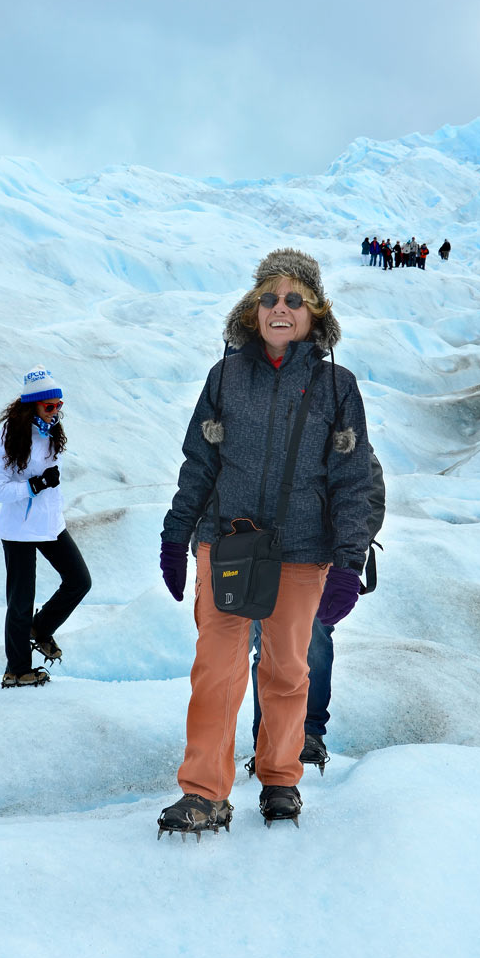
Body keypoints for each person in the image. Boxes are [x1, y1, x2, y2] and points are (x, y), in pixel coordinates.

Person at [158, 248, 373, 837]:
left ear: (314, 311)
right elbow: (198, 463)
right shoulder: (224, 376)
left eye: (294, 299)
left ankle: (280, 778)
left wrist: (350, 563)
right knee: (216, 672)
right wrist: (176, 537)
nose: (281, 308)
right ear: (253, 308)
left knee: (286, 671)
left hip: (305, 553)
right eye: (269, 298)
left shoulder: (337, 387)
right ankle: (204, 792)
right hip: (225, 546)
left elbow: (354, 480)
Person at [247, 447, 385, 775]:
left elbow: (368, 490)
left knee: (313, 641)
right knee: (266, 646)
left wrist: (349, 552)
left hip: (317, 558)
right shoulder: (251, 418)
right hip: (257, 552)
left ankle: (307, 733)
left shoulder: (335, 419)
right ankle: (268, 740)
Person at [0, 365, 91, 688]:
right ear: (32, 405)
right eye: (49, 406)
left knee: (79, 580)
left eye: (59, 405)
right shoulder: (11, 435)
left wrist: (48, 496)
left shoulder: (51, 430)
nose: (55, 411)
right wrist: (33, 486)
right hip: (18, 530)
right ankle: (16, 670)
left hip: (50, 525)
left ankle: (40, 628)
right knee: (20, 601)